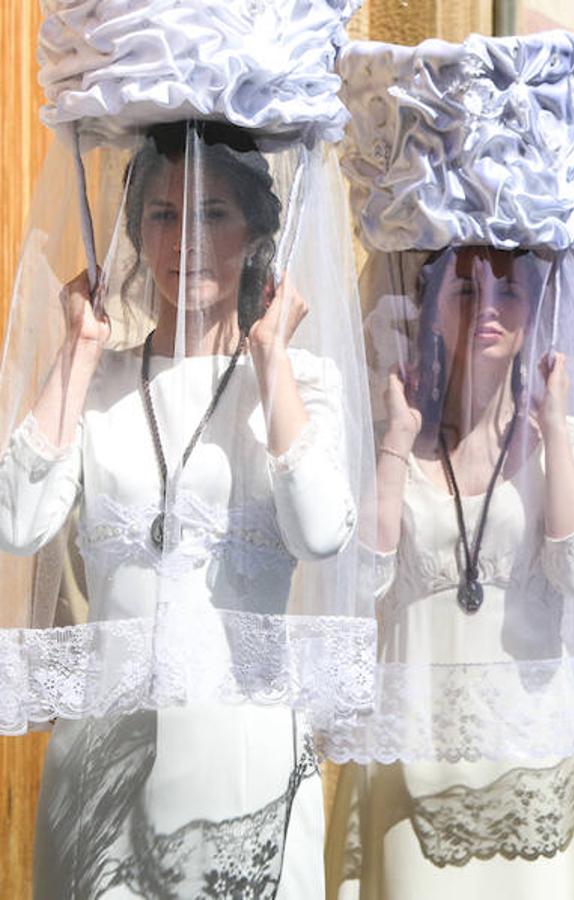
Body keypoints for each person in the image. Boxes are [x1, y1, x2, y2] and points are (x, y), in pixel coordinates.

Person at [322, 33, 574, 899]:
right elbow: (357, 583)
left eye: (509, 287)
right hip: (414, 765)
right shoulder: (392, 434)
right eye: (466, 288)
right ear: (431, 305)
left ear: (537, 302)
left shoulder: (571, 443)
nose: (489, 307)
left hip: (537, 758)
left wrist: (547, 428)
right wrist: (394, 445)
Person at [0, 119, 362, 898]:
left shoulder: (304, 383)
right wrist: (79, 352)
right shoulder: (98, 381)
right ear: (133, 234)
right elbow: (19, 523)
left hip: (245, 745)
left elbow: (323, 533)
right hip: (106, 752)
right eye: (163, 215)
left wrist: (269, 362)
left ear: (259, 234)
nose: (185, 239)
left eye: (213, 214)